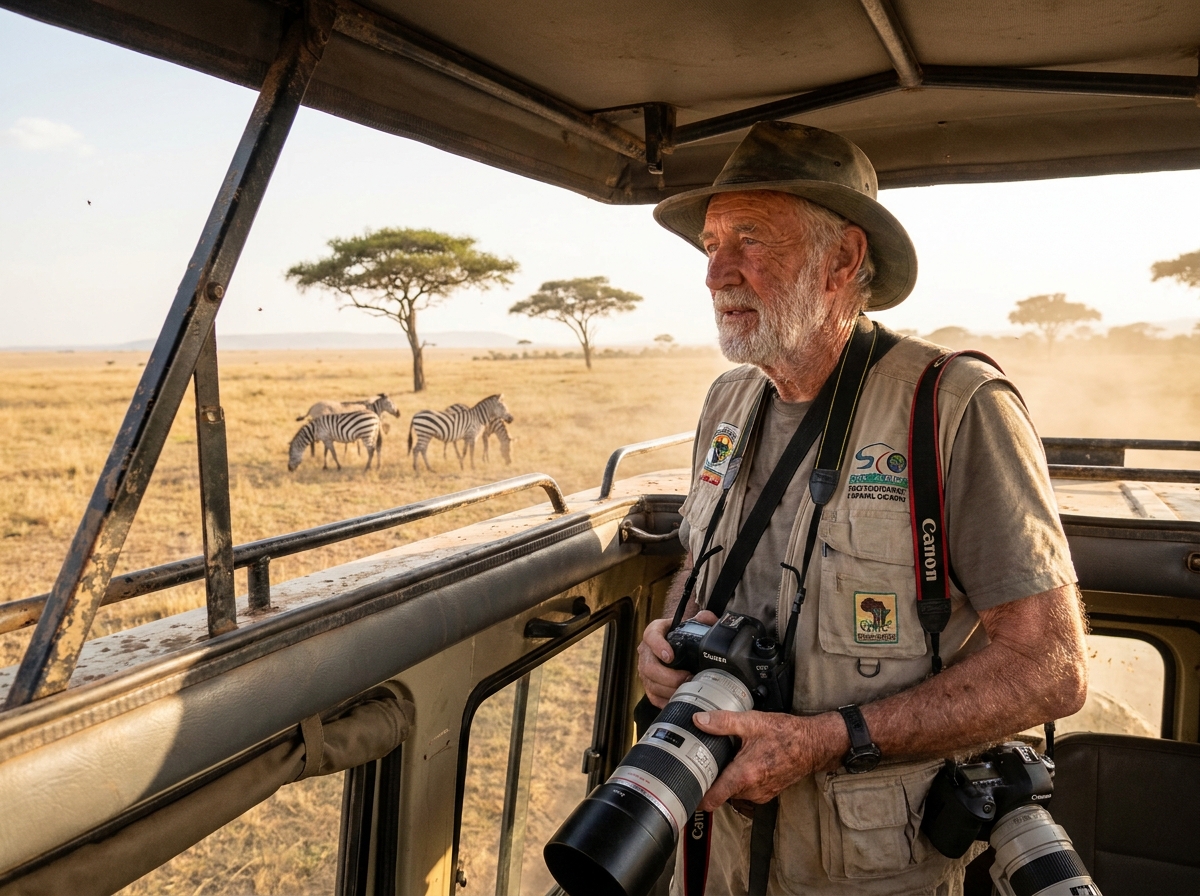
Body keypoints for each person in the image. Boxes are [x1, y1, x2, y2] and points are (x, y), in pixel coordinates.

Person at [638, 121, 1088, 895]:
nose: (717, 274)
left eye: (751, 239)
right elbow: (699, 559)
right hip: (714, 846)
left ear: (842, 259)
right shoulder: (727, 401)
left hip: (871, 866)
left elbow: (1050, 667)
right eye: (711, 244)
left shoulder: (953, 406)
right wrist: (668, 638)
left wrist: (826, 739)